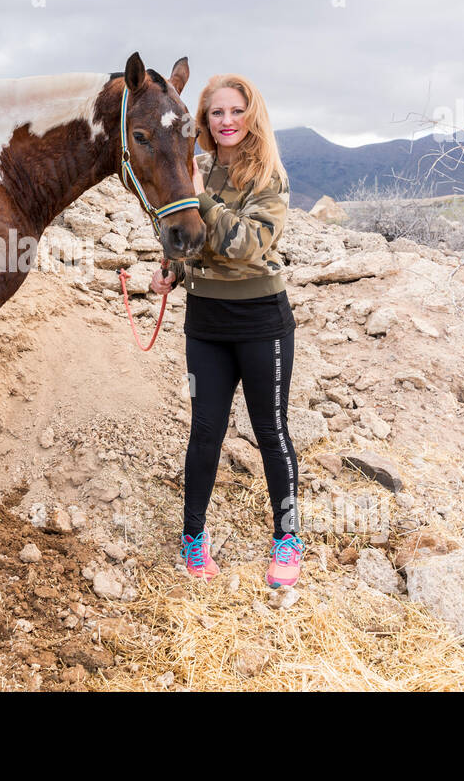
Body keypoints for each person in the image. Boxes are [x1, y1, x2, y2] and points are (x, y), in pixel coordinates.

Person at [149, 73, 305, 587]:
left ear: (251, 113)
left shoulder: (269, 177)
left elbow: (244, 247)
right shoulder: (193, 167)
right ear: (205, 119)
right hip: (206, 322)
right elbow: (185, 234)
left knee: (270, 432)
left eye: (235, 111)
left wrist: (201, 198)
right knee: (206, 432)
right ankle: (194, 539)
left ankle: (288, 539)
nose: (226, 121)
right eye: (217, 113)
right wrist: (171, 267)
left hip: (263, 321)